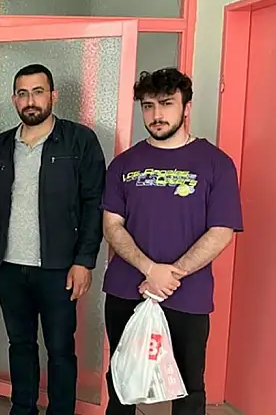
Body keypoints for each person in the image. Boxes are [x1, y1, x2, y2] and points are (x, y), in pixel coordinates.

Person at [101, 68, 243, 415]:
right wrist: (150, 269)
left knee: (189, 389)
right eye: (148, 106)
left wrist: (170, 274)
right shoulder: (123, 164)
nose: (157, 114)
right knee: (122, 382)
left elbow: (221, 230)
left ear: (186, 107)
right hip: (126, 291)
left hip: (188, 296)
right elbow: (112, 226)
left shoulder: (216, 164)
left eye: (166, 104)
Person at [0, 63, 107, 415]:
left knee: (60, 349)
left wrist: (84, 261)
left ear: (53, 95)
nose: (30, 100)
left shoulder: (79, 140)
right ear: (14, 100)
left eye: (38, 92)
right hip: (10, 267)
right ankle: (23, 408)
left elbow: (94, 204)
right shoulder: (2, 145)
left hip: (59, 268)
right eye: (22, 94)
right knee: (20, 344)